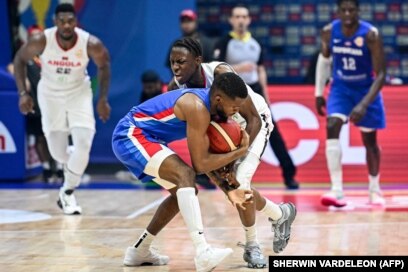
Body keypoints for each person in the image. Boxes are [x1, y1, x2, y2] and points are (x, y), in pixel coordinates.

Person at [168, 37, 297, 268]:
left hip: (253, 124)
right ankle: (280, 214)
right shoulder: (175, 89)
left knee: (241, 182)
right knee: (235, 191)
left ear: (198, 61)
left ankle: (252, 246)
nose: (175, 67)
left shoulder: (221, 73)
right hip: (223, 132)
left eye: (181, 61)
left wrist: (237, 154)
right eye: (172, 62)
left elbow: (253, 118)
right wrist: (218, 167)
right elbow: (198, 143)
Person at [112, 72, 254, 271]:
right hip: (130, 134)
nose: (236, 112)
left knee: (184, 192)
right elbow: (200, 165)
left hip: (149, 139)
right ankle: (203, 252)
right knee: (185, 175)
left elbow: (203, 160)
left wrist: (229, 189)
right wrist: (241, 151)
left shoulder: (212, 108)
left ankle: (139, 250)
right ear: (219, 99)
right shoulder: (196, 107)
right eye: (235, 107)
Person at [13, 3, 111, 214]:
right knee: (58, 153)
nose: (66, 25)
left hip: (79, 93)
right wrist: (23, 93)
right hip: (50, 94)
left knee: (84, 142)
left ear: (76, 22)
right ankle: (74, 161)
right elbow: (19, 60)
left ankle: (67, 192)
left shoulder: (89, 43)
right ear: (55, 22)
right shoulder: (42, 40)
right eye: (62, 21)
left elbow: (104, 65)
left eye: (70, 21)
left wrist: (102, 99)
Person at [213, 4, 299, 190]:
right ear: (231, 20)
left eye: (244, 16)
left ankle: (289, 174)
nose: (241, 20)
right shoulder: (224, 43)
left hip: (255, 92)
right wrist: (239, 68)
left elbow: (260, 70)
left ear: (249, 20)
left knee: (272, 133)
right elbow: (216, 69)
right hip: (232, 94)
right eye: (237, 17)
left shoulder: (256, 44)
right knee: (218, 132)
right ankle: (211, 174)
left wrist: (266, 95)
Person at [315, 0, 386, 207]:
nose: (347, 13)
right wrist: (318, 92)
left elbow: (381, 74)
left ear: (358, 11)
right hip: (340, 88)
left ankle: (374, 189)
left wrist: (363, 105)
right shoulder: (329, 31)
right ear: (338, 11)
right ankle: (336, 190)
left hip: (366, 89)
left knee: (370, 141)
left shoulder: (370, 35)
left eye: (351, 10)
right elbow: (324, 60)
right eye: (343, 10)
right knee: (332, 125)